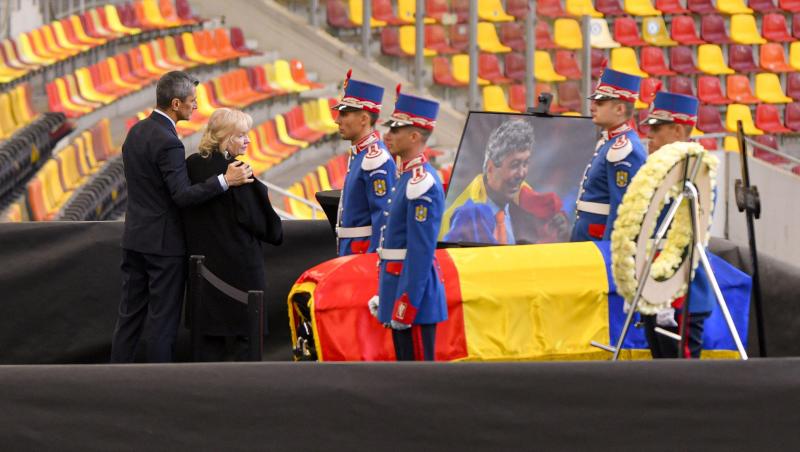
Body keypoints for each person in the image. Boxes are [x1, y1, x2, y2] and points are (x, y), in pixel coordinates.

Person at [110, 71, 254, 363]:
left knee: (129, 318)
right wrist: (225, 181)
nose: (196, 106)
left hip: (134, 238)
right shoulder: (169, 142)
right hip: (163, 247)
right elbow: (182, 195)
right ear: (176, 104)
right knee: (162, 322)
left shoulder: (136, 132)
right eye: (192, 101)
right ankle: (158, 384)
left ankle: (114, 376)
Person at [181, 108, 283, 361]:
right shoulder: (238, 172)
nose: (247, 140)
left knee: (207, 346)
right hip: (240, 271)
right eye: (241, 135)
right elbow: (267, 227)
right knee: (245, 344)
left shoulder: (191, 165)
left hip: (203, 270)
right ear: (225, 138)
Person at [372, 86, 446, 361]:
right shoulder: (407, 177)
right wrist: (386, 295)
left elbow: (419, 252)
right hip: (397, 290)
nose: (387, 135)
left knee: (417, 376)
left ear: (414, 136)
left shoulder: (420, 182)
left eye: (395, 130)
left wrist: (406, 303)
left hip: (415, 300)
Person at [640, 92, 713, 359]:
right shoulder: (658, 170)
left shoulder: (696, 172)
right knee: (660, 368)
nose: (649, 135)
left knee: (682, 373)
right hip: (653, 285)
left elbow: (689, 234)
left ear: (678, 131)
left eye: (657, 128)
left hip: (681, 293)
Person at [440, 119, 569, 245]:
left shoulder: (529, 210)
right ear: (490, 168)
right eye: (515, 165)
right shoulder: (465, 217)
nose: (522, 173)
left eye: (525, 164)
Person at [570, 68, 647, 242]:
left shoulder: (624, 149)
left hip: (599, 239)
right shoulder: (609, 142)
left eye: (600, 103)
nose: (592, 107)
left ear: (619, 109)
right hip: (588, 234)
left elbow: (622, 209)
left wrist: (610, 249)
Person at [331, 70, 396, 256]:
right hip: (352, 250)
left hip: (362, 254)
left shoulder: (375, 159)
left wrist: (371, 261)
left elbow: (383, 219)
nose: (337, 120)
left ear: (364, 119)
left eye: (344, 114)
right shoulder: (362, 154)